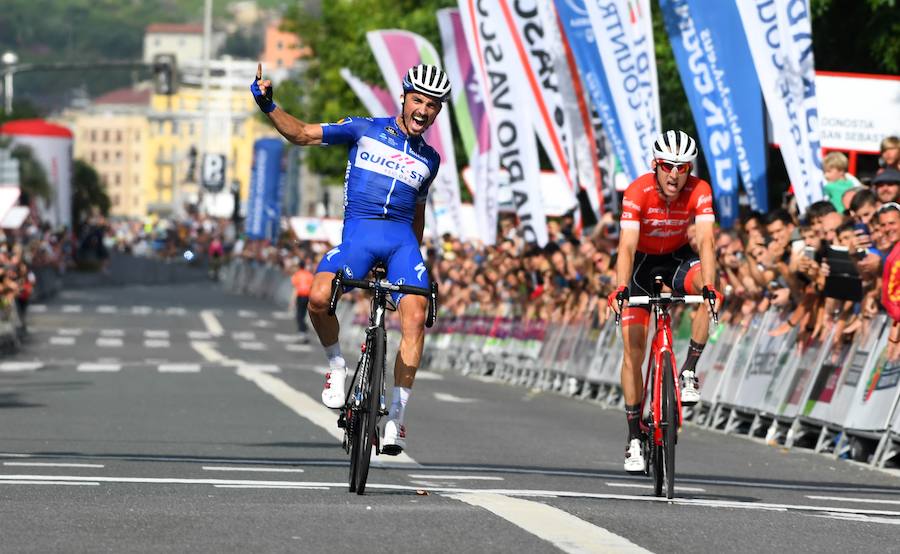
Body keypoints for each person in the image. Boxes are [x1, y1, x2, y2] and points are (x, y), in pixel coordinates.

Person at [252, 62, 450, 455]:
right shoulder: (365, 128)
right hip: (358, 237)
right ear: (405, 97)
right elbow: (303, 134)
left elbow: (417, 216)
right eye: (418, 100)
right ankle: (338, 366)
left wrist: (410, 272)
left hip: (401, 247)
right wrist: (268, 105)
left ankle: (396, 417)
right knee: (319, 298)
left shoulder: (431, 160)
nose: (423, 110)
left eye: (432, 105)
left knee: (414, 317)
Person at [606, 130, 721, 474]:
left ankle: (688, 370)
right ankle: (634, 437)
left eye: (682, 167)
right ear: (655, 164)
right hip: (641, 264)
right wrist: (621, 286)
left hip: (677, 260)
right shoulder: (637, 191)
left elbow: (706, 241)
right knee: (633, 352)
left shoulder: (699, 190)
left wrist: (711, 286)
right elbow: (626, 245)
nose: (675, 174)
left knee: (711, 291)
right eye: (668, 166)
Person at [291, 259, 314, 338]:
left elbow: (295, 289)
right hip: (307, 297)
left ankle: (302, 332)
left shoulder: (297, 275)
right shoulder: (309, 275)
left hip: (300, 296)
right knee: (303, 315)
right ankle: (304, 331)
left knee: (299, 315)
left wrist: (292, 302)